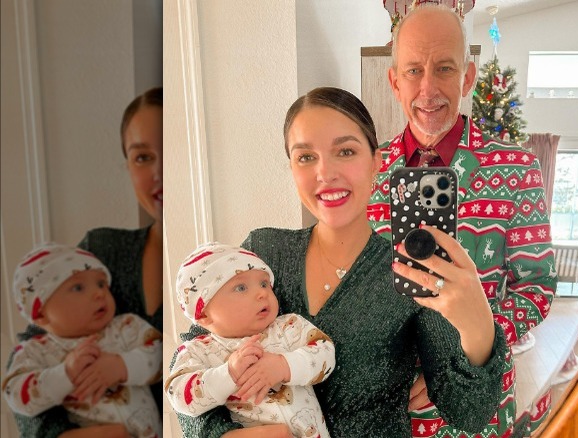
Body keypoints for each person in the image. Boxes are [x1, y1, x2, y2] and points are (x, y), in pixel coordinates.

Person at [173, 86, 507, 438]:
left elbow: (469, 412)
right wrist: (222, 436)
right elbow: (189, 359)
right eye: (305, 157)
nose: (325, 172)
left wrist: (478, 326)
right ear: (291, 167)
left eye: (345, 151)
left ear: (377, 161)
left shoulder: (411, 273)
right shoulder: (261, 254)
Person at [366, 4, 557, 436]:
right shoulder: (368, 170)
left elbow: (538, 286)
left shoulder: (517, 167)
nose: (428, 88)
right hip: (389, 410)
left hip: (479, 404)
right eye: (413, 70)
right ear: (394, 81)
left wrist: (458, 357)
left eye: (445, 68)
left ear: (467, 77)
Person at [9, 87, 164, 438]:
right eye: (142, 157)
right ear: (127, 165)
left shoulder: (226, 266)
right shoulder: (96, 253)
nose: (159, 171)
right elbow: (28, 359)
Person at [167, 243, 335, 437]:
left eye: (264, 283)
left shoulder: (288, 326)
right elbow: (179, 396)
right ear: (204, 314)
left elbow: (325, 351)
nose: (262, 293)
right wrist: (228, 374)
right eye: (241, 287)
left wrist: (284, 366)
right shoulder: (199, 351)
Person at [4, 244, 162, 438]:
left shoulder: (126, 327)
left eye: (102, 283)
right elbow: (16, 394)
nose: (99, 293)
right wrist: (65, 374)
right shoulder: (36, 351)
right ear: (41, 314)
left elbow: (162, 355)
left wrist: (122, 366)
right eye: (78, 287)